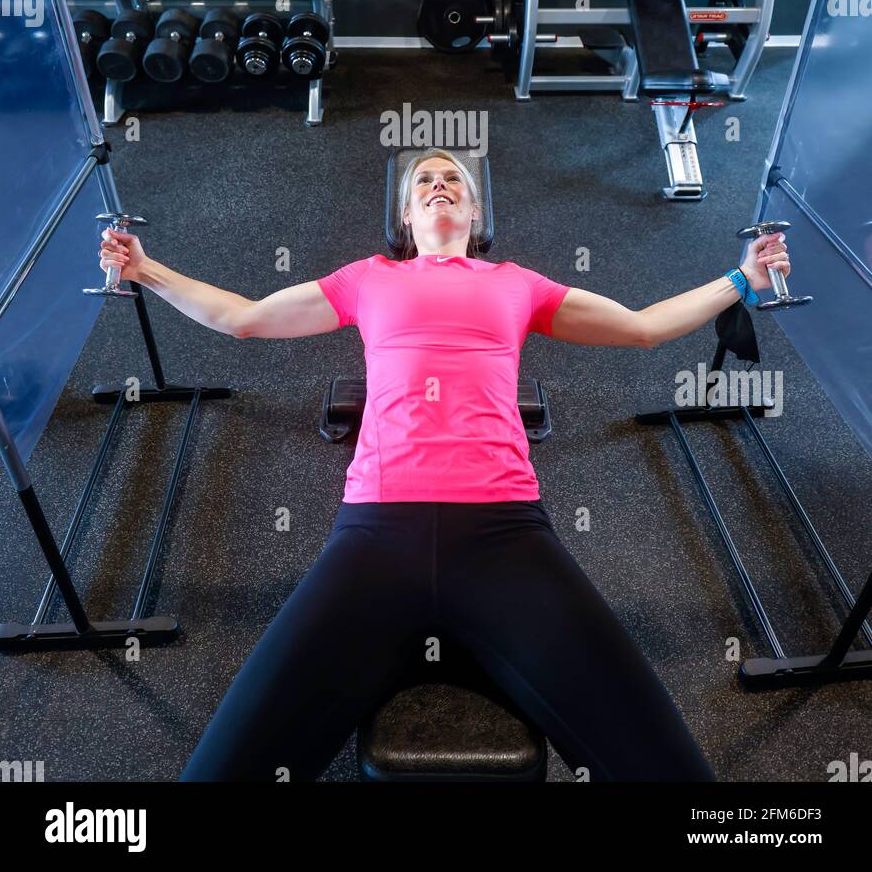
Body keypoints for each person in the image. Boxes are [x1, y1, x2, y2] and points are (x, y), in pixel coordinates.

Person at [98, 148, 790, 783]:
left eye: (452, 179)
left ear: (475, 213)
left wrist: (741, 277)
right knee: (219, 771)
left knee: (670, 771)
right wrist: (144, 268)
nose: (437, 185)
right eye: (422, 181)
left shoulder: (517, 284)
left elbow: (641, 328)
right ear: (405, 215)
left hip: (505, 535)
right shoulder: (366, 279)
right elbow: (242, 317)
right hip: (375, 537)